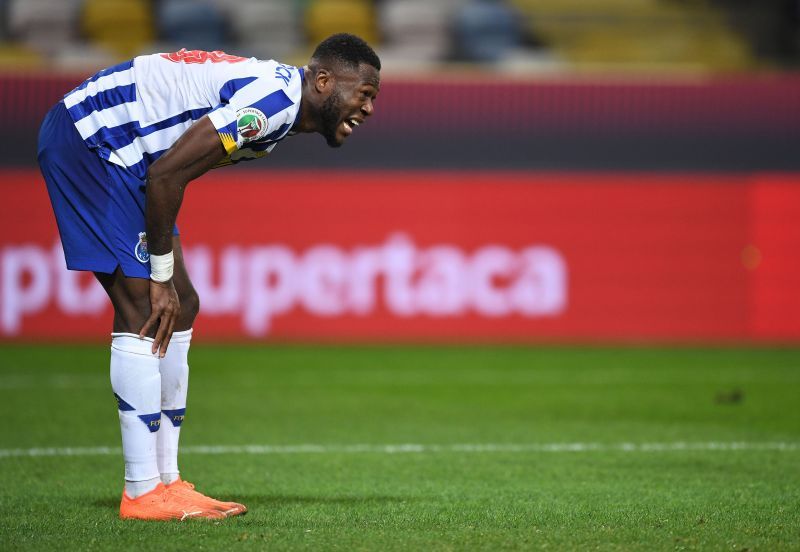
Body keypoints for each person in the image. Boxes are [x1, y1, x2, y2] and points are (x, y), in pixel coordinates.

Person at [37, 33, 381, 521]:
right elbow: (166, 175)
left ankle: (168, 481)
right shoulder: (273, 105)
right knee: (144, 305)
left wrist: (164, 274)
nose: (368, 108)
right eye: (364, 94)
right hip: (93, 140)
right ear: (323, 82)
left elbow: (168, 168)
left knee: (183, 304)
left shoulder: (278, 103)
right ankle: (141, 491)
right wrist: (158, 273)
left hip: (132, 156)